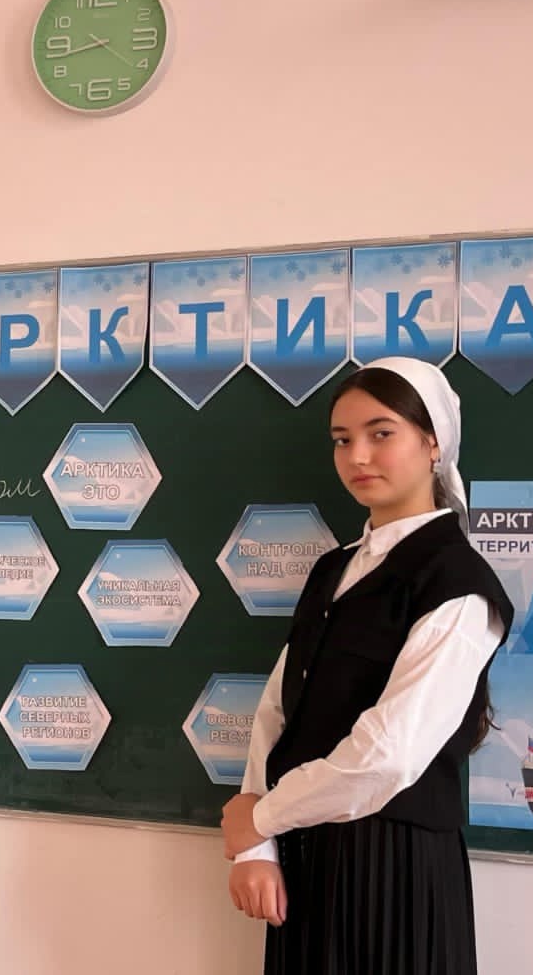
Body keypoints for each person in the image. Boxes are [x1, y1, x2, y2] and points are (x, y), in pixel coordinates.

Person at [220, 356, 515, 975]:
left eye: (382, 434)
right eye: (342, 439)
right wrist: (258, 847)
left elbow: (391, 753)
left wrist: (261, 818)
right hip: (303, 857)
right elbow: (278, 708)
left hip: (393, 867)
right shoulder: (334, 568)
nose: (358, 456)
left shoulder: (458, 584)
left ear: (433, 443)